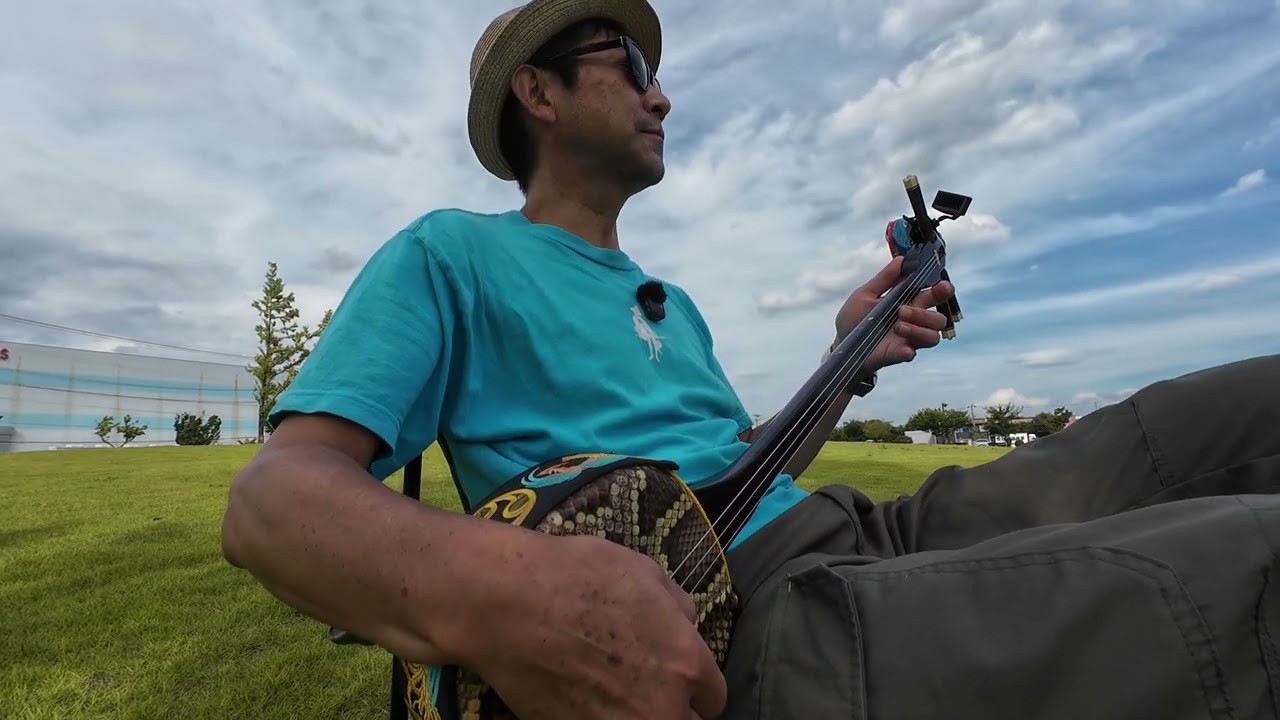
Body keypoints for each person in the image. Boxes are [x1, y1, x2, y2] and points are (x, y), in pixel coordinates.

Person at [219, 1, 1280, 718]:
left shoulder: (672, 304)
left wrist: (849, 354)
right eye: (631, 70)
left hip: (861, 527)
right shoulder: (448, 255)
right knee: (1241, 567)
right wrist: (500, 597)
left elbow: (743, 465)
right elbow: (273, 505)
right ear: (537, 96)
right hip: (741, 618)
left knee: (1240, 411)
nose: (661, 95)